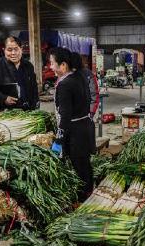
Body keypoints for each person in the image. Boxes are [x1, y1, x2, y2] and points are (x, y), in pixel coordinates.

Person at [49, 47, 94, 201]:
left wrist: (59, 139)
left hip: (75, 132)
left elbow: (65, 115)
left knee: (78, 166)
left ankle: (83, 200)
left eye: (52, 63)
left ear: (63, 65)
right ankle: (89, 191)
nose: (50, 67)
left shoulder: (65, 84)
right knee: (85, 163)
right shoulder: (79, 76)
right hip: (85, 126)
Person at [0, 36, 39, 114]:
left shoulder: (28, 65)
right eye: (9, 50)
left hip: (26, 110)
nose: (13, 53)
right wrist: (3, 98)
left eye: (16, 49)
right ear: (4, 50)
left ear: (21, 49)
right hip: (3, 111)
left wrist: (35, 104)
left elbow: (33, 86)